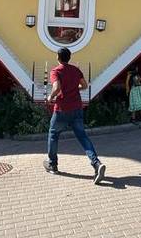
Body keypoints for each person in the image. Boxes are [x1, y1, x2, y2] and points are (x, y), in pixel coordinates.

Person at [44, 47, 106, 184]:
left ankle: (52, 164)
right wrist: (74, 88)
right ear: (69, 57)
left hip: (61, 109)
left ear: (58, 57)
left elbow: (57, 87)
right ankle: (96, 164)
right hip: (77, 108)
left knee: (53, 135)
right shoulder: (76, 70)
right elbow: (84, 85)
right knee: (82, 137)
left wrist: (50, 97)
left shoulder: (56, 71)